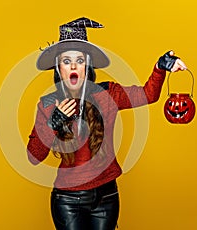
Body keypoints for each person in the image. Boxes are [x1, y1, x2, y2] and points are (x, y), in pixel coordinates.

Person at [27, 17, 187, 230]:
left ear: (88, 65)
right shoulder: (48, 105)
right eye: (66, 61)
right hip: (68, 202)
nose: (73, 66)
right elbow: (34, 157)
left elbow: (148, 95)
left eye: (80, 60)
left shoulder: (108, 94)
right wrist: (53, 123)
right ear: (58, 68)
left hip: (107, 197)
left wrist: (160, 67)